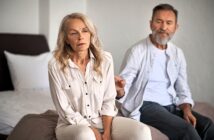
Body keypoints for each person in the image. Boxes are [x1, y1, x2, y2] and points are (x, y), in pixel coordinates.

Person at [115, 3, 214, 140]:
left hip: (171, 105)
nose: (163, 27)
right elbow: (124, 84)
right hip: (146, 105)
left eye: (169, 23)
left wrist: (186, 110)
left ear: (175, 27)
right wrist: (119, 91)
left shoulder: (177, 53)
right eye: (159, 21)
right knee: (185, 130)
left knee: (208, 125)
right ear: (151, 24)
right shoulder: (137, 51)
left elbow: (182, 87)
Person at [48, 12, 151, 140]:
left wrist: (107, 132)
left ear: (91, 34)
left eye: (85, 31)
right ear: (66, 39)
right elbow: (64, 110)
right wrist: (92, 130)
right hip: (71, 125)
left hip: (102, 121)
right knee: (86, 135)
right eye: (74, 33)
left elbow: (108, 100)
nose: (80, 37)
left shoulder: (105, 59)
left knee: (142, 130)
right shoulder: (55, 66)